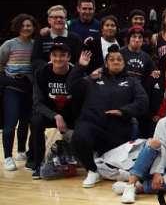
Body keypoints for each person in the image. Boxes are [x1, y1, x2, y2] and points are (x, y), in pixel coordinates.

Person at [68, 45, 149, 188]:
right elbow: (71, 88)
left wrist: (123, 111)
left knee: (116, 166)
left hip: (118, 130)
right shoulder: (93, 78)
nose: (116, 61)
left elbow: (143, 102)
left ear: (124, 63)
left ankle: (102, 165)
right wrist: (80, 67)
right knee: (79, 136)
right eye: (112, 59)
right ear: (106, 63)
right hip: (92, 124)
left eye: (119, 59)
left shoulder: (132, 81)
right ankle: (92, 171)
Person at [29, 41, 78, 179]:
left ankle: (82, 158)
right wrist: (55, 116)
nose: (58, 59)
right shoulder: (41, 73)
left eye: (62, 55)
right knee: (36, 121)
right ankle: (38, 163)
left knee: (85, 123)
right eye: (54, 55)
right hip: (50, 113)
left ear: (68, 57)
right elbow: (37, 103)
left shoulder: (76, 72)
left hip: (71, 113)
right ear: (50, 57)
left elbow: (82, 99)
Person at [1, 14, 36, 170]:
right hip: (12, 87)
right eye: (23, 25)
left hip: (29, 87)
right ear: (17, 27)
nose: (26, 28)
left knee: (25, 122)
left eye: (29, 25)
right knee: (10, 123)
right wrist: (7, 79)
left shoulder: (36, 44)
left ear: (33, 27)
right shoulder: (9, 45)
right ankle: (8, 156)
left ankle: (21, 151)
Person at [31, 5, 82, 71]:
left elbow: (80, 60)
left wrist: (67, 67)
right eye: (55, 17)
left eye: (61, 17)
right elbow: (35, 60)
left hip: (69, 76)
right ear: (49, 20)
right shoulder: (41, 37)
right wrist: (49, 66)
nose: (58, 20)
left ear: (66, 20)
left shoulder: (75, 38)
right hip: (46, 75)